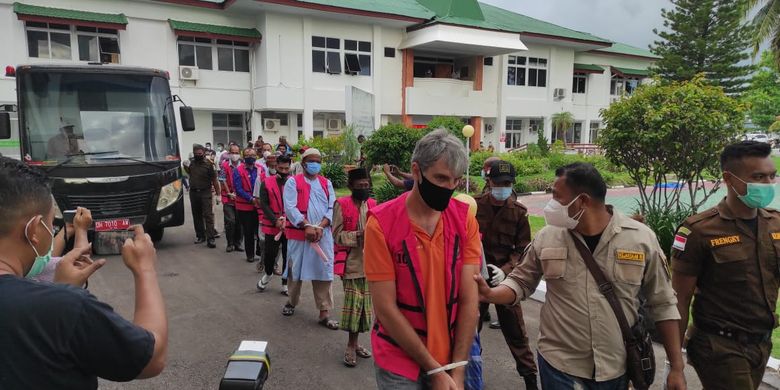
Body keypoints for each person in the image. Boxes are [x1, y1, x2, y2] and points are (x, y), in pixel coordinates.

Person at [477, 162, 686, 390]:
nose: (551, 204)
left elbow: (663, 303)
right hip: (559, 366)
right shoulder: (548, 237)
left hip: (615, 368)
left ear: (582, 201)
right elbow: (521, 281)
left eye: (557, 197)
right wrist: (490, 293)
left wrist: (676, 368)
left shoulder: (640, 239)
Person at [0, 156, 168, 389]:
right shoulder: (65, 308)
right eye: (51, 226)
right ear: (35, 230)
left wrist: (59, 290)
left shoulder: (56, 304)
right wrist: (145, 270)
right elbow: (151, 357)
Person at [364, 129, 481, 389]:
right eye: (440, 178)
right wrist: (436, 371)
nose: (448, 188)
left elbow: (469, 299)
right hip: (399, 358)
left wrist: (458, 370)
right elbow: (385, 308)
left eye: (456, 181)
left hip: (452, 352)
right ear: (416, 171)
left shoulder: (464, 220)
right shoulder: (381, 224)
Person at [672, 141, 780, 390]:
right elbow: (679, 298)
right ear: (729, 179)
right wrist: (675, 363)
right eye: (758, 177)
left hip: (761, 343)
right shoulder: (699, 230)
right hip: (719, 346)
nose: (768, 184)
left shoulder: (775, 224)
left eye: (772, 176)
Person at [474, 159, 537, 389]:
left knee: (516, 333)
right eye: (499, 183)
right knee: (469, 330)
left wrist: (505, 271)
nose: (503, 187)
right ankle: (470, 372)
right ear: (489, 182)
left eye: (508, 183)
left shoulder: (519, 213)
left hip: (505, 279)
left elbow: (522, 249)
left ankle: (530, 378)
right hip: (477, 276)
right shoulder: (475, 205)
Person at [280, 148, 338, 330]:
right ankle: (291, 301)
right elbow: (290, 207)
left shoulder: (326, 183)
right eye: (312, 161)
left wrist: (320, 226)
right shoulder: (292, 182)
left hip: (322, 234)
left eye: (318, 161)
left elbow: (332, 207)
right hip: (299, 234)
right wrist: (306, 225)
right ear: (303, 163)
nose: (315, 164)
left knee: (324, 271)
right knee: (295, 270)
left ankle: (324, 312)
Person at [333, 168, 375, 368]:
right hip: (351, 264)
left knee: (365, 310)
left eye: (367, 186)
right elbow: (336, 235)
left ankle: (356, 344)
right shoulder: (341, 204)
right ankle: (350, 345)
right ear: (351, 187)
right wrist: (359, 235)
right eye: (360, 186)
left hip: (372, 265)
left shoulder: (373, 205)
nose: (364, 189)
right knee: (353, 307)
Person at [256, 154, 291, 294]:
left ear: (290, 167)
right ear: (276, 166)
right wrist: (275, 221)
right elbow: (263, 204)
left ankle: (285, 282)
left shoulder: (292, 182)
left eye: (286, 168)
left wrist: (288, 220)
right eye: (280, 168)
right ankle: (268, 273)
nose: (283, 171)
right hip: (272, 225)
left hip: (289, 226)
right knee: (270, 254)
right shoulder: (266, 182)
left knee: (288, 255)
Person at [183, 144, 220, 248]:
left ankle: (211, 239)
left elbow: (215, 180)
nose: (198, 155)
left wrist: (218, 194)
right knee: (197, 215)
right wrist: (185, 166)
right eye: (196, 154)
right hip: (194, 192)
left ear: (203, 153)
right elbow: (189, 172)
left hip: (206, 192)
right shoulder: (192, 163)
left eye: (200, 153)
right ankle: (200, 236)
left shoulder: (209, 164)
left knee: (208, 215)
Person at [233, 147, 262, 262]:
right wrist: (251, 199)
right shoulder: (238, 170)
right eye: (248, 155)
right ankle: (250, 255)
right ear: (243, 157)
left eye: (253, 155)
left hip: (259, 205)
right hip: (245, 206)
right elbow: (238, 189)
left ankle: (260, 252)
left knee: (260, 230)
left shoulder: (260, 169)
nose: (251, 157)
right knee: (248, 231)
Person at [220, 144, 244, 253]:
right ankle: (230, 243)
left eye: (237, 152)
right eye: (233, 153)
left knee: (239, 222)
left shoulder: (243, 165)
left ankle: (238, 243)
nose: (235, 155)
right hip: (228, 197)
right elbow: (222, 179)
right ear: (229, 154)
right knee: (230, 221)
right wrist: (229, 193)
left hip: (240, 198)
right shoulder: (224, 165)